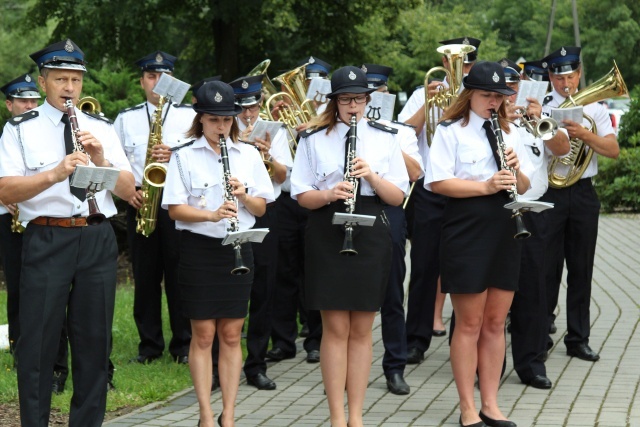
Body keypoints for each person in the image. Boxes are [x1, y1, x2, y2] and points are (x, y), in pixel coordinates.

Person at [0, 38, 135, 427]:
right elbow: (6, 190)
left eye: (75, 80)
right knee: (38, 344)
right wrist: (55, 173)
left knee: (94, 343)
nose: (69, 88)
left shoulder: (101, 128)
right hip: (46, 237)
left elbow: (129, 191)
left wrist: (100, 160)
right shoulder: (19, 129)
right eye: (61, 79)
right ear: (43, 82)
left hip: (96, 237)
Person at [291, 65, 409, 427]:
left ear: (368, 101)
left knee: (361, 328)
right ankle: (336, 417)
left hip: (371, 226)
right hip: (327, 227)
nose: (353, 106)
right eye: (345, 100)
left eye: (358, 99)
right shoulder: (314, 139)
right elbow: (300, 194)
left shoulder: (386, 137)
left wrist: (371, 174)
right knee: (335, 328)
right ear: (335, 102)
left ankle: (356, 417)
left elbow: (398, 195)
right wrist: (329, 192)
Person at [425, 61, 533, 427]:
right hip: (467, 228)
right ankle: (467, 407)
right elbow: (439, 182)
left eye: (499, 96)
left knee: (495, 321)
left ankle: (491, 403)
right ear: (470, 94)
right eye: (487, 95)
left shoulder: (510, 130)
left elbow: (526, 186)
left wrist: (516, 172)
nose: (494, 102)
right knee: (468, 323)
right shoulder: (450, 131)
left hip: (505, 227)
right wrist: (485, 186)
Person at [162, 80, 274, 427]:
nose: (221, 127)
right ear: (201, 119)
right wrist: (211, 214)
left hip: (237, 248)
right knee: (204, 334)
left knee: (230, 334)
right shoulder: (183, 155)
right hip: (199, 251)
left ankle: (229, 413)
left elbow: (261, 208)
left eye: (227, 120)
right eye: (214, 120)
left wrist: (242, 195)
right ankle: (206, 414)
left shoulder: (249, 154)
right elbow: (175, 210)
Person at [400, 36, 481, 364]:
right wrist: (428, 106)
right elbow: (401, 132)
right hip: (432, 192)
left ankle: (463, 342)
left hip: (468, 193)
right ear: (445, 63)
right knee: (423, 267)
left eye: (467, 62)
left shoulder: (479, 96)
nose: (461, 67)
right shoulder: (425, 93)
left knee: (469, 272)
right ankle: (415, 340)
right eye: (455, 61)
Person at [114, 50, 194, 365]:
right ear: (141, 81)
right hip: (141, 200)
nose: (157, 82)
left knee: (179, 275)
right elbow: (115, 162)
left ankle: (183, 344)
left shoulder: (191, 116)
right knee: (145, 277)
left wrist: (175, 155)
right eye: (151, 76)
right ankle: (149, 346)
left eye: (163, 76)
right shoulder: (127, 118)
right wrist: (128, 192)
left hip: (178, 203)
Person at [541, 46, 619, 362]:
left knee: (581, 268)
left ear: (579, 74)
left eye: (570, 76)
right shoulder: (543, 107)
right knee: (546, 267)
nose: (565, 83)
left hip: (584, 192)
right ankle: (541, 332)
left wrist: (585, 135)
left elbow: (612, 150)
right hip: (550, 192)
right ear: (550, 78)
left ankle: (578, 338)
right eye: (559, 78)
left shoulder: (596, 108)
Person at [499, 58, 570, 390]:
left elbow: (563, 148)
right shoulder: (488, 120)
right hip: (495, 211)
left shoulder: (534, 117)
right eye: (505, 87)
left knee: (533, 290)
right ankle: (484, 365)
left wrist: (539, 119)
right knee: (486, 289)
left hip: (533, 212)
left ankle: (531, 362)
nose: (511, 93)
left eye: (515, 85)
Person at [362, 63, 423, 395]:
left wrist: (385, 138)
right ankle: (344, 367)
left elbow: (415, 172)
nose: (373, 97)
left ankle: (395, 365)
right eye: (368, 92)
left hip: (390, 210)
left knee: (392, 292)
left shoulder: (400, 130)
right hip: (352, 207)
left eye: (379, 92)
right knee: (348, 292)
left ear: (387, 95)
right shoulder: (345, 127)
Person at [229, 74, 293, 390]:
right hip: (230, 214)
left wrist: (267, 155)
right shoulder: (224, 128)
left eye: (253, 107)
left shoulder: (273, 130)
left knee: (264, 289)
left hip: (268, 212)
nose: (248, 115)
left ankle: (256, 363)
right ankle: (220, 366)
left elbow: (283, 175)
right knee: (228, 289)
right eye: (242, 109)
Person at [267, 55, 332, 365]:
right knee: (283, 271)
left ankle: (316, 338)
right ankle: (282, 341)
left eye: (313, 80)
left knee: (315, 271)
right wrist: (285, 125)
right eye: (303, 79)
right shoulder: (284, 117)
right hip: (285, 198)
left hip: (316, 199)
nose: (307, 85)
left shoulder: (330, 118)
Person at [0, 73, 40, 358]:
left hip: (40, 217)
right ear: (8, 105)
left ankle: (45, 344)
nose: (29, 106)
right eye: (23, 101)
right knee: (16, 284)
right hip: (9, 217)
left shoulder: (45, 134)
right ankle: (17, 344)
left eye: (33, 100)